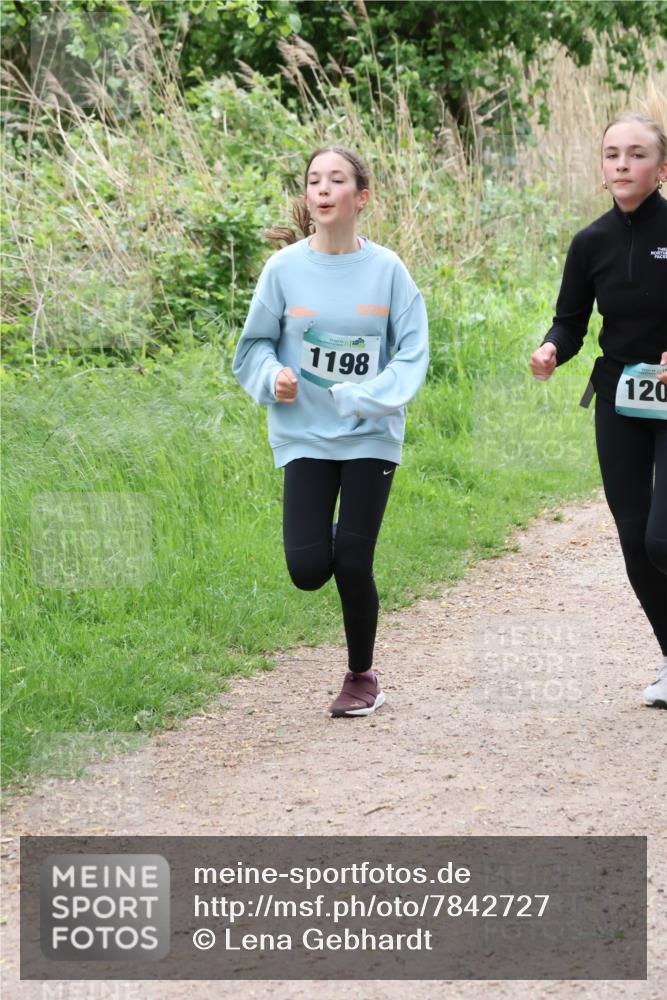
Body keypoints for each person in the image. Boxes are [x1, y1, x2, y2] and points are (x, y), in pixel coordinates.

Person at [233, 146, 429, 717]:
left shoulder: (388, 270)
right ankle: (340, 540)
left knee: (354, 562)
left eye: (335, 179)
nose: (322, 188)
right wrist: (272, 377)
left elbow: (412, 352)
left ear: (360, 197)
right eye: (314, 179)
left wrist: (366, 397)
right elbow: (254, 346)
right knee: (308, 569)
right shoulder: (283, 270)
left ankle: (362, 677)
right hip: (305, 435)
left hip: (371, 433)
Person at [530, 111, 667, 708]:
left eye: (637, 154)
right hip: (620, 399)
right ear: (602, 168)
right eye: (613, 154)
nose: (623, 164)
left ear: (662, 168)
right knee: (635, 538)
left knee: (663, 539)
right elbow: (571, 321)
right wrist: (551, 350)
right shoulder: (590, 242)